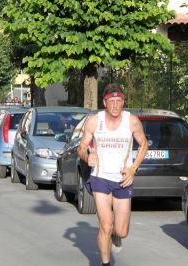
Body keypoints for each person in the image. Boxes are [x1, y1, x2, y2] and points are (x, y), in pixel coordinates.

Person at [77, 83, 148, 266]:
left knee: (121, 230)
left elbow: (144, 145)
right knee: (105, 225)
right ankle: (106, 263)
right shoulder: (94, 121)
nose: (115, 105)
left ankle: (116, 236)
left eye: (119, 101)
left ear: (123, 102)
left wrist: (133, 169)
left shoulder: (131, 121)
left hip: (123, 179)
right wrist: (87, 156)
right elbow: (82, 147)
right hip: (100, 177)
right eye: (111, 101)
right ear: (104, 102)